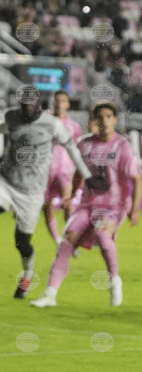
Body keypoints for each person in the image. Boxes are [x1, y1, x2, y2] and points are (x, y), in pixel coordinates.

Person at [32, 102, 142, 308]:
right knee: (66, 244)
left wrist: (134, 210)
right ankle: (49, 294)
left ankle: (114, 280)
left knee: (103, 236)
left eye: (108, 116)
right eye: (100, 117)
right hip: (87, 204)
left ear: (115, 120)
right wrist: (72, 195)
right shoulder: (84, 144)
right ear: (95, 121)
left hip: (114, 206)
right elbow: (79, 173)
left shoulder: (123, 146)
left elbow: (137, 179)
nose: (104, 121)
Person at [0, 95, 95, 298]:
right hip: (6, 181)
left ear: (39, 105)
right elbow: (3, 128)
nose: (26, 108)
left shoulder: (53, 124)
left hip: (33, 191)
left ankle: (28, 275)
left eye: (30, 105)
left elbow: (72, 147)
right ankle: (61, 240)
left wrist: (87, 175)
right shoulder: (12, 116)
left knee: (22, 242)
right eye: (23, 105)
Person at [42, 90, 83, 248]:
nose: (59, 103)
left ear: (68, 104)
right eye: (57, 100)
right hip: (45, 172)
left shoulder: (74, 127)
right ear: (53, 103)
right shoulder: (44, 122)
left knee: (68, 205)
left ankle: (70, 240)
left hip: (65, 172)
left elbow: (78, 150)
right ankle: (57, 240)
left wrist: (79, 172)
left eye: (62, 101)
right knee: (47, 208)